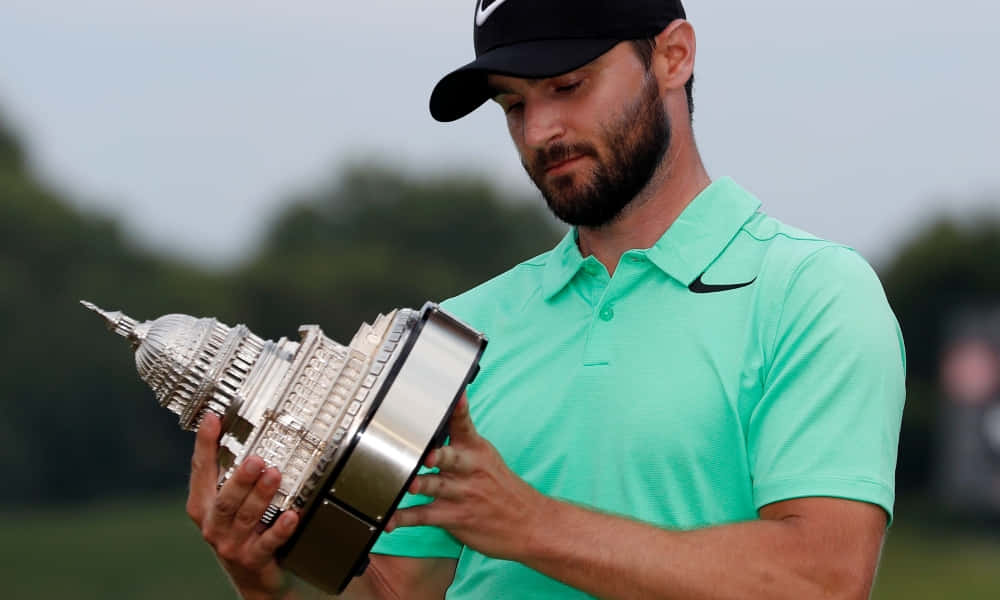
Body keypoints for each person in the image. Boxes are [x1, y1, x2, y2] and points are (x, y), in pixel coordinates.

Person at [185, 1, 906, 598]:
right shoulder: (457, 330)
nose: (539, 133)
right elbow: (408, 590)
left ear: (674, 56)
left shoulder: (813, 295)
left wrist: (529, 525)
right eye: (512, 104)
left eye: (569, 86)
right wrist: (261, 582)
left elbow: (821, 579)